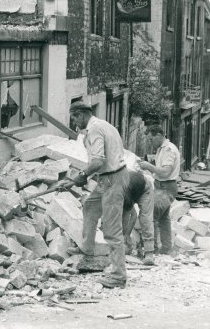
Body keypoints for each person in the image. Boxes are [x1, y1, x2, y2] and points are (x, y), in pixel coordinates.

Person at [69, 101, 130, 289]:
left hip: (113, 179)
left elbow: (97, 161)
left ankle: (119, 275)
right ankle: (87, 249)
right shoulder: (104, 125)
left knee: (111, 229)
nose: (74, 124)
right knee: (90, 207)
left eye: (74, 119)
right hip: (109, 177)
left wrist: (82, 176)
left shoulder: (95, 129)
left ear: (80, 115)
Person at [139, 125, 180, 255]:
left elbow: (166, 172)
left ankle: (153, 249)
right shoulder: (161, 149)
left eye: (151, 139)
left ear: (158, 135)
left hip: (166, 187)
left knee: (152, 216)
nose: (150, 143)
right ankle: (167, 248)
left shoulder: (168, 149)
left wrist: (149, 167)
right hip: (162, 186)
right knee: (164, 218)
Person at [121, 170, 155, 265]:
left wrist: (127, 234)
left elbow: (133, 215)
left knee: (145, 219)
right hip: (132, 189)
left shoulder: (123, 192)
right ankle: (124, 246)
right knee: (121, 215)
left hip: (145, 188)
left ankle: (149, 254)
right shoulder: (111, 191)